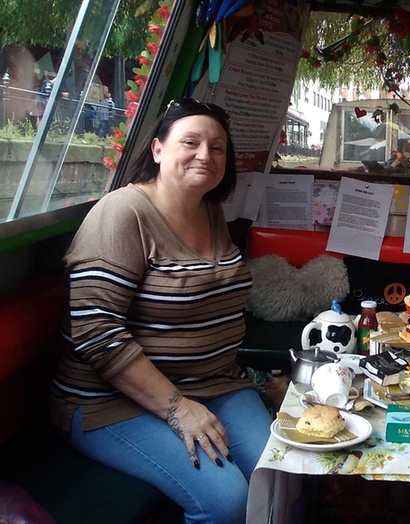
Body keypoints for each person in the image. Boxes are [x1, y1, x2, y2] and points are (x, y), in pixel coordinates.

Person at [49, 98, 272, 523]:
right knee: (227, 501)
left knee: (282, 476)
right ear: (157, 150)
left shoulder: (211, 211)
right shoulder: (122, 213)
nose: (205, 154)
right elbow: (97, 333)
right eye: (190, 142)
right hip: (110, 402)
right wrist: (178, 408)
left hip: (216, 385)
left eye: (218, 146)